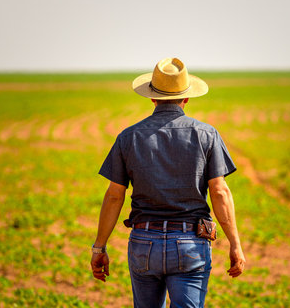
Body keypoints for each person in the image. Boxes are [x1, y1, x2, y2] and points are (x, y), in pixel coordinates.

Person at [91, 57, 246, 308]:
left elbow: (114, 196)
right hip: (190, 245)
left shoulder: (128, 137)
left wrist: (99, 248)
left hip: (143, 242)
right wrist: (235, 244)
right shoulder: (207, 134)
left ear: (152, 97)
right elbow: (219, 192)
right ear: (186, 98)